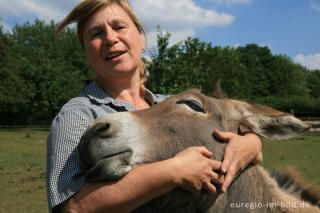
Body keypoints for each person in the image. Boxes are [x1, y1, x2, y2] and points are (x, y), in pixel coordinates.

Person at [46, 0, 263, 212]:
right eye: (96, 34)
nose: (110, 38)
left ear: (141, 39)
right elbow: (71, 208)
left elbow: (222, 121)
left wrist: (252, 143)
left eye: (119, 27)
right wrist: (173, 171)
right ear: (86, 54)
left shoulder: (169, 103)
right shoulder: (77, 114)